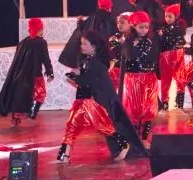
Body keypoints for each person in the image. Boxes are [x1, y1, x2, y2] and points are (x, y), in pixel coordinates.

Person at [56, 29, 146, 163]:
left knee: (103, 126)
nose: (81, 46)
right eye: (82, 43)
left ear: (94, 47)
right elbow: (86, 78)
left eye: (85, 44)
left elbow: (88, 81)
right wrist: (77, 74)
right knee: (72, 125)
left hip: (92, 103)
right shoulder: (88, 60)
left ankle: (123, 144)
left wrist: (74, 76)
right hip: (82, 101)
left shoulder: (97, 63)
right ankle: (64, 154)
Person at [0, 18, 55, 125]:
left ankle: (17, 117)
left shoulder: (23, 42)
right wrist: (50, 72)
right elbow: (45, 58)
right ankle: (32, 112)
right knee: (40, 93)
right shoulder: (41, 42)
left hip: (21, 75)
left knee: (20, 94)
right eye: (41, 28)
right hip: (35, 74)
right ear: (39, 29)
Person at [120, 11, 159, 142]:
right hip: (133, 78)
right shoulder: (129, 41)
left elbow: (153, 57)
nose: (144, 30)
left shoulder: (152, 40)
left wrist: (143, 48)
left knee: (149, 109)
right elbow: (130, 56)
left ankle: (144, 139)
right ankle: (135, 140)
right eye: (141, 27)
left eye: (146, 27)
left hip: (149, 77)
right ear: (134, 26)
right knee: (133, 109)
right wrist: (136, 47)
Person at [58, 0, 115, 68]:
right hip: (104, 53)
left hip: (91, 53)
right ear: (109, 8)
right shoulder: (110, 19)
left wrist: (80, 22)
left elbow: (83, 30)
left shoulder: (93, 16)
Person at [156, 4, 188, 112]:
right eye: (166, 16)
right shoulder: (163, 28)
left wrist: (164, 32)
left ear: (176, 16)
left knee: (180, 78)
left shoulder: (178, 27)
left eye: (170, 16)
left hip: (176, 54)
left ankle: (180, 105)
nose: (167, 19)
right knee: (166, 80)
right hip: (165, 55)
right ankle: (165, 105)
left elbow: (178, 32)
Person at [108, 12, 131, 87]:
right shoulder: (117, 36)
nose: (119, 25)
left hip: (127, 70)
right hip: (116, 68)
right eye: (118, 22)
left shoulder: (133, 38)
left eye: (122, 22)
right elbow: (111, 50)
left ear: (131, 24)